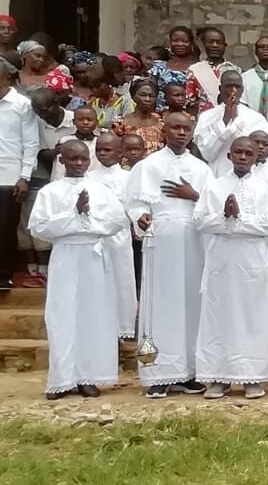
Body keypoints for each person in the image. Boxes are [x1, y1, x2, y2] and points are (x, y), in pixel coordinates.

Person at [30, 139, 127, 399]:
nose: (79, 164)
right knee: (62, 316)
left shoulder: (101, 190)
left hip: (94, 256)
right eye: (73, 159)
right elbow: (39, 227)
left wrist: (87, 218)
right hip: (65, 256)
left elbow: (117, 222)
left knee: (92, 315)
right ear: (62, 160)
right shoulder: (49, 192)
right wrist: (72, 215)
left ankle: (88, 376)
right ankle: (62, 378)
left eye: (84, 159)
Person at [125, 112, 211, 397]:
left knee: (191, 305)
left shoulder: (201, 168)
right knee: (160, 306)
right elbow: (134, 202)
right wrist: (142, 218)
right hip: (161, 241)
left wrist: (194, 195)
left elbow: (212, 204)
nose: (181, 133)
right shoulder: (149, 166)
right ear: (165, 131)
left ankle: (188, 373)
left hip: (194, 241)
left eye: (186, 128)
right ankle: (158, 374)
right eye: (176, 127)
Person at [194, 136, 268, 399]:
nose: (243, 157)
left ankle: (253, 376)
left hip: (253, 261)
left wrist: (239, 219)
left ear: (257, 158)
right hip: (222, 260)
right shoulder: (215, 187)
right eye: (238, 152)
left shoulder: (264, 189)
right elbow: (200, 221)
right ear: (229, 156)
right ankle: (220, 377)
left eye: (248, 153)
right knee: (221, 315)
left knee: (255, 317)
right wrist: (225, 218)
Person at [86, 134, 136, 339]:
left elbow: (133, 208)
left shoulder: (129, 178)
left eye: (107, 149)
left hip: (119, 239)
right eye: (99, 149)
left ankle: (123, 329)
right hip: (94, 238)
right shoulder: (88, 177)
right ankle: (97, 328)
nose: (102, 153)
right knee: (96, 283)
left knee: (121, 282)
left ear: (120, 152)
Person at [193, 70, 268, 177]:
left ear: (242, 90)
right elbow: (206, 154)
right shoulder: (206, 117)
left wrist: (235, 121)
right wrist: (225, 120)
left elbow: (261, 152)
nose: (233, 91)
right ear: (220, 89)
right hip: (216, 175)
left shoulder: (256, 118)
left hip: (248, 176)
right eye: (229, 86)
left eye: (237, 87)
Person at [186, 27, 240, 112]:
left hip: (229, 118)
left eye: (219, 42)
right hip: (204, 120)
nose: (214, 45)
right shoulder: (194, 70)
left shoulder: (236, 70)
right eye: (210, 42)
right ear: (204, 44)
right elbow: (190, 102)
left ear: (225, 46)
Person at [120, 79, 166, 156]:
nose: (147, 99)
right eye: (143, 95)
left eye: (151, 96)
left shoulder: (162, 123)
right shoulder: (122, 123)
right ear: (133, 96)